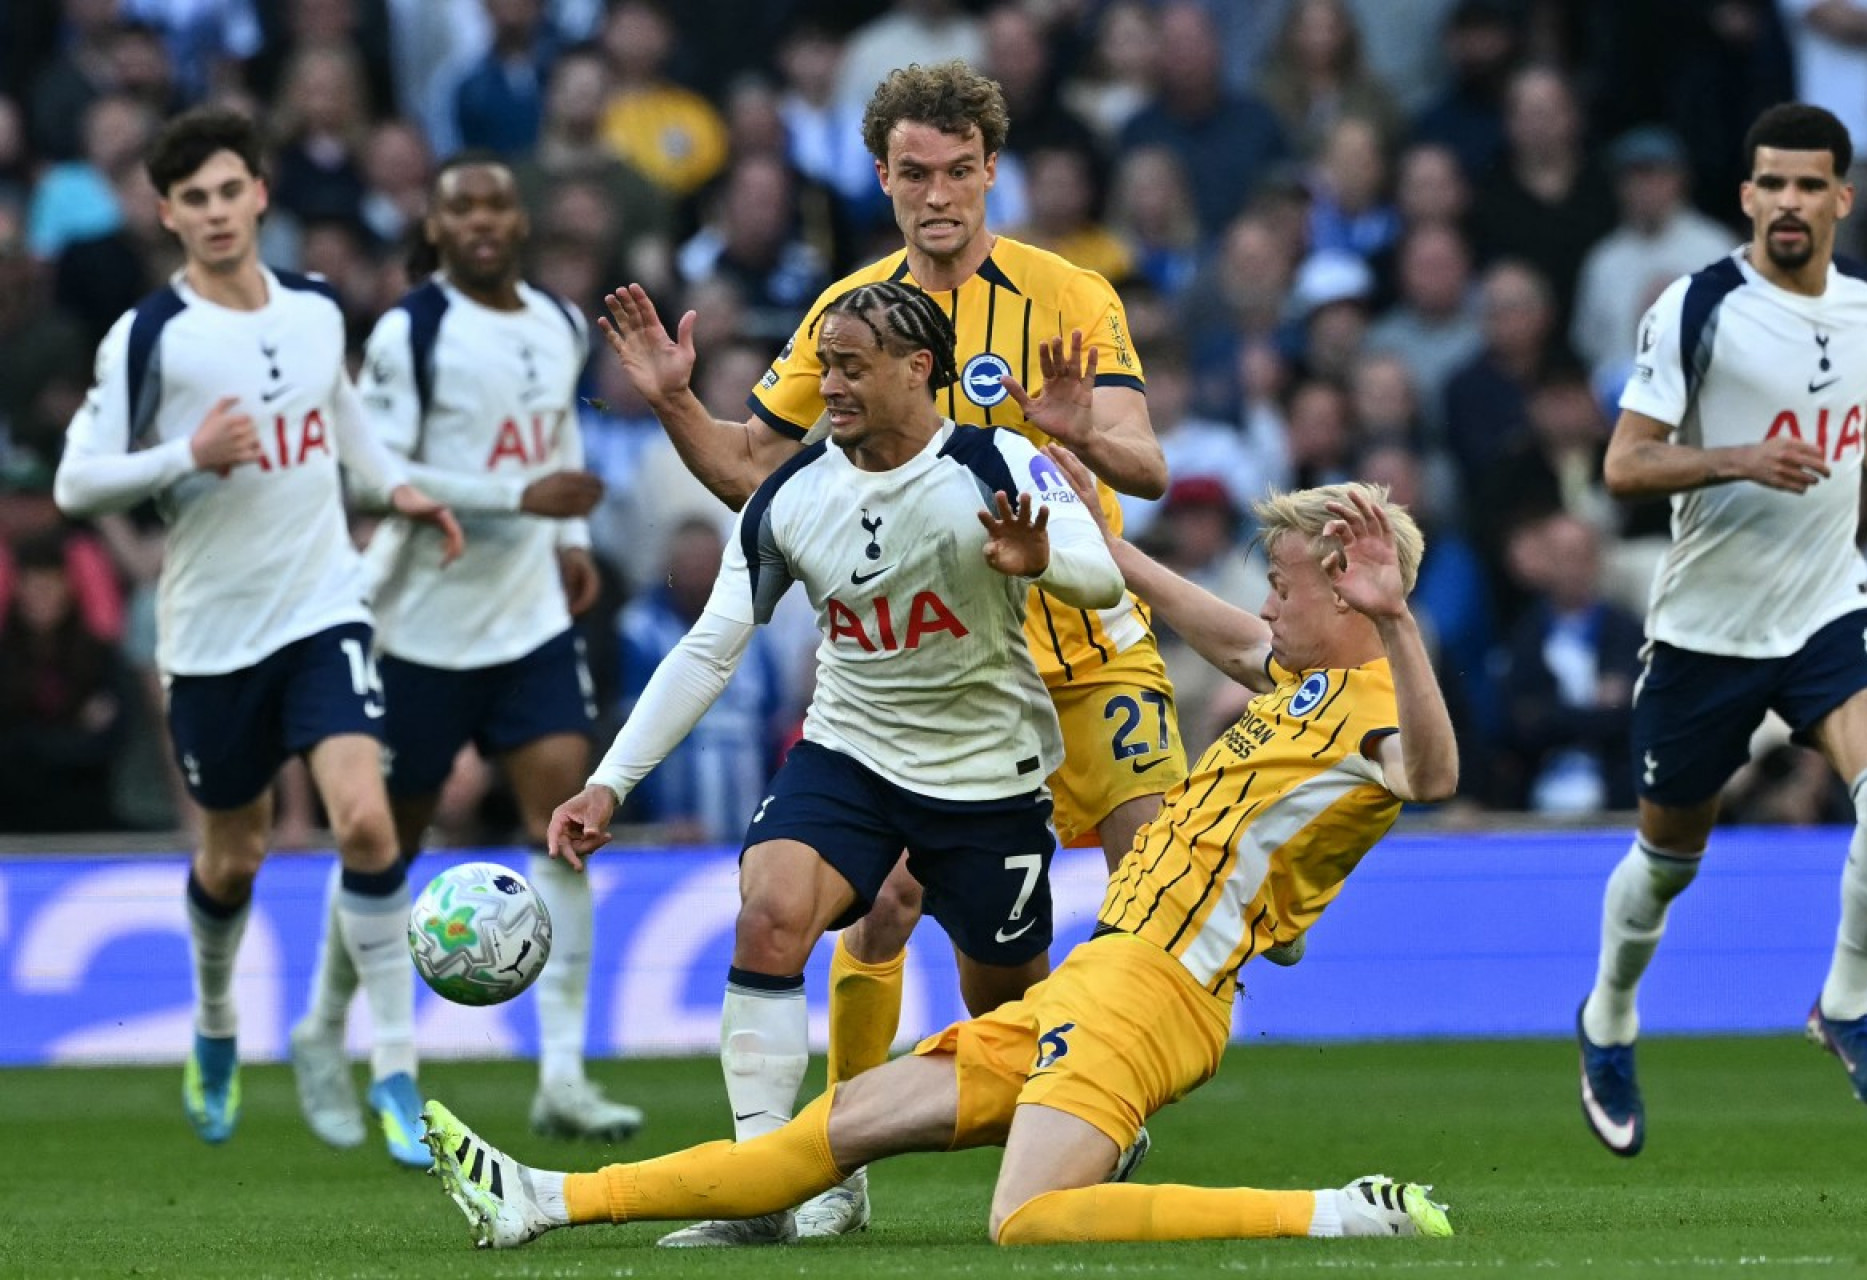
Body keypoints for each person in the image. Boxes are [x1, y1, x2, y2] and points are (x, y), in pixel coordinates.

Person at [419, 466, 1459, 1250]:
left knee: (1031, 1216)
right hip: (1101, 975)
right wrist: (1113, 554)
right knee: (828, 1130)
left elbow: (1431, 774)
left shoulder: (1376, 703)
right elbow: (1230, 637)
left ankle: (1335, 1211)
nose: (1270, 606)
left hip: (1162, 992)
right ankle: (543, 1198)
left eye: (1282, 585)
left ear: (1346, 587)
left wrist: (1399, 620)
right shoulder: (1304, 682)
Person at [596, 60, 1183, 1238]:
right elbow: (760, 476)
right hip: (944, 674)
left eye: (960, 172)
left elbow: (1147, 465)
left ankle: (1102, 1104)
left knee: (1152, 897)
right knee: (873, 916)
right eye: (915, 173)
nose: (939, 196)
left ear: (991, 173)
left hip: (1086, 640)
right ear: (881, 176)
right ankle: (826, 1162)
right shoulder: (849, 314)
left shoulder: (1067, 291)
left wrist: (1079, 437)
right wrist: (673, 402)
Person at [553, 278, 1124, 1246]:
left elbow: (1101, 574)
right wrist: (612, 779)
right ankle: (760, 1185)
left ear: (918, 369)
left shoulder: (997, 461)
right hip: (848, 754)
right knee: (770, 910)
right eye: (826, 367)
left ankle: (1090, 1110)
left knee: (1007, 1028)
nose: (832, 387)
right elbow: (709, 645)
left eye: (852, 368)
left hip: (986, 779)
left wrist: (1041, 562)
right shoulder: (790, 491)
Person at [50, 106, 463, 1164]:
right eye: (194, 198)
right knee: (233, 856)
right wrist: (185, 452)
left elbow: (345, 421)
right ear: (167, 213)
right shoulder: (151, 335)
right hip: (212, 636)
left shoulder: (320, 308)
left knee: (366, 823)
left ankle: (400, 1071)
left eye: (231, 190)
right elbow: (76, 478)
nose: (217, 212)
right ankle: (217, 1023)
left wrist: (400, 489)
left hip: (322, 606)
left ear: (261, 194)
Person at [1578, 103, 1867, 1158]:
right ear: (1746, 196)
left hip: (1823, 605)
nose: (1787, 202)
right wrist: (1736, 456)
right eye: (1771, 183)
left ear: (1840, 199)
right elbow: (1624, 464)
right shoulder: (1699, 306)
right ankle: (1609, 1016)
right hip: (1706, 629)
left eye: (1809, 185)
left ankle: (1846, 1006)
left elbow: (1857, 404)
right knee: (1668, 858)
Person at [286, 153, 642, 1151]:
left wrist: (567, 541)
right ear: (435, 229)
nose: (482, 220)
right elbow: (383, 476)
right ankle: (320, 1026)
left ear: (520, 219)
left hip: (527, 616)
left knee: (568, 821)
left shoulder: (561, 322)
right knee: (382, 844)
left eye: (496, 202)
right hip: (418, 625)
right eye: (461, 208)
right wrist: (521, 502)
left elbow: (556, 444)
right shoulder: (414, 330)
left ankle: (564, 1072)